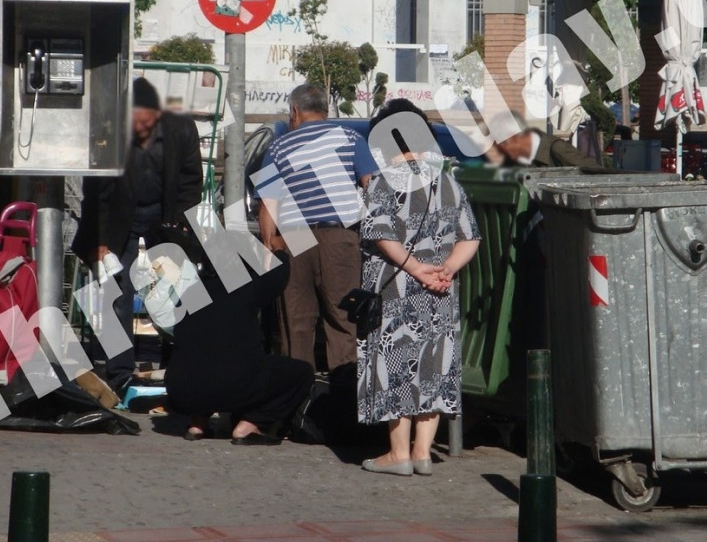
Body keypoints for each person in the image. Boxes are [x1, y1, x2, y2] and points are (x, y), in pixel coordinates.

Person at [357, 99, 481, 477]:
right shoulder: (448, 182)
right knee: (433, 365)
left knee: (395, 364)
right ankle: (423, 452)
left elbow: (381, 235)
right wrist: (446, 269)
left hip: (396, 290)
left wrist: (415, 269)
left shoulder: (383, 182)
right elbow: (470, 238)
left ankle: (399, 454)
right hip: (440, 291)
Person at [71, 76, 203, 397]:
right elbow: (97, 192)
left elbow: (190, 182)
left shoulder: (181, 130)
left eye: (145, 123)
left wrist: (182, 224)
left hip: (166, 215)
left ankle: (180, 367)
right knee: (114, 293)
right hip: (119, 217)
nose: (139, 129)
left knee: (179, 291)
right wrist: (101, 242)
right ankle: (119, 373)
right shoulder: (109, 133)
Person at [257, 83, 378, 373]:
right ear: (326, 110)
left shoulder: (278, 147)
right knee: (344, 322)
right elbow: (373, 188)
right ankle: (343, 394)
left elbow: (267, 205)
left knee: (295, 324)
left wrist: (269, 248)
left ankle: (298, 397)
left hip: (294, 238)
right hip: (339, 235)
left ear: (295, 111)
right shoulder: (351, 138)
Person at [155, 227, 314, 444]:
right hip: (230, 385)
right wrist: (280, 251)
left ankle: (197, 423)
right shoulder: (247, 286)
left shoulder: (190, 293)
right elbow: (279, 275)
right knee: (302, 373)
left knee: (204, 361)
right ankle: (250, 425)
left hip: (180, 390)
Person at [493, 111, 599, 169]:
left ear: (514, 138)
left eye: (502, 146)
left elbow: (599, 177)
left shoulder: (557, 149)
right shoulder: (514, 162)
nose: (501, 152)